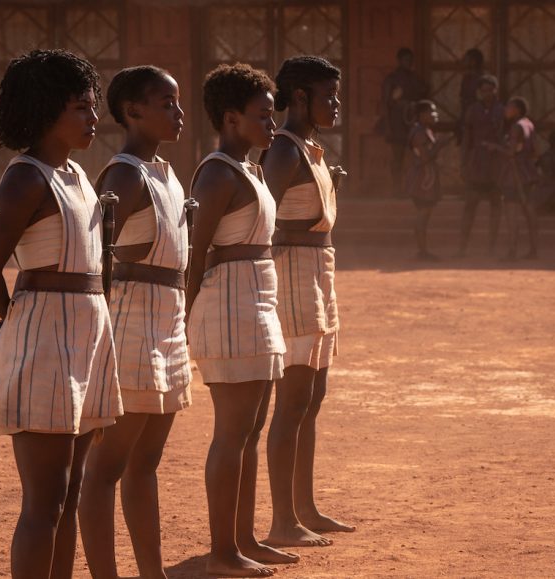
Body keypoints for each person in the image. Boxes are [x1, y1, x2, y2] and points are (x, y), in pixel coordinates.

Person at [0, 49, 121, 579]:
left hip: (86, 336)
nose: (93, 118)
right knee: (46, 500)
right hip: (44, 342)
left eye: (93, 106)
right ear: (44, 111)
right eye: (81, 108)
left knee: (70, 492)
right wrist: (18, 322)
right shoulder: (25, 179)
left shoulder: (78, 177)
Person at [78, 65, 192, 579]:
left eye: (177, 102)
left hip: (168, 321)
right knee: (106, 468)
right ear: (132, 112)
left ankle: (153, 572)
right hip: (129, 322)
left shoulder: (166, 173)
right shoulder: (123, 173)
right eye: (165, 103)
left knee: (146, 463)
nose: (178, 112)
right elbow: (92, 258)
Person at [187, 63, 300, 577]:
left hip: (257, 303)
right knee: (231, 434)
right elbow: (194, 255)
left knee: (251, 430)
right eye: (263, 116)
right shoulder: (215, 173)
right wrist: (181, 320)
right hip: (230, 308)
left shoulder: (250, 170)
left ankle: (245, 538)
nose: (272, 125)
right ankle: (221, 552)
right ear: (232, 119)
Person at [261, 55, 354, 549]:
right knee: (292, 402)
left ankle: (305, 507)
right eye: (328, 95)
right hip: (293, 275)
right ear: (299, 98)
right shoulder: (283, 151)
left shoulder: (309, 150)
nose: (336, 104)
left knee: (312, 400)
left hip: (318, 274)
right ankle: (282, 520)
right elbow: (261, 214)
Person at [457, 74, 505, 257]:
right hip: (476, 164)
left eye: (490, 90)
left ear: (496, 90)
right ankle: (462, 248)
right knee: (470, 205)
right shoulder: (472, 111)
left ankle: (491, 248)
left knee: (495, 206)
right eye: (483, 90)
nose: (487, 94)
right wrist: (463, 163)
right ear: (478, 92)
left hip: (496, 166)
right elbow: (466, 139)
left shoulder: (502, 111)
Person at [491, 96, 538, 260]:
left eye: (509, 107)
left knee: (512, 213)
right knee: (529, 213)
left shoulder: (517, 127)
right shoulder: (529, 124)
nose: (506, 110)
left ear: (517, 110)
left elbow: (511, 152)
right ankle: (534, 250)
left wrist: (495, 147)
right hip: (528, 173)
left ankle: (512, 251)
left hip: (514, 175)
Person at [380, 47, 428, 196]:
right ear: (400, 60)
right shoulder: (392, 79)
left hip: (413, 122)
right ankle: (396, 189)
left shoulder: (415, 78)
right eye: (406, 60)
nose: (409, 63)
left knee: (417, 156)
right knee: (397, 157)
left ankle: (415, 188)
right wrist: (388, 126)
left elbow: (424, 94)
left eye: (411, 60)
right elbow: (386, 103)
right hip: (397, 123)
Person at [405, 99, 449, 259]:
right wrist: (440, 145)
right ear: (422, 115)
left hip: (427, 177)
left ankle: (423, 250)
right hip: (422, 180)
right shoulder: (419, 132)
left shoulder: (425, 130)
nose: (435, 115)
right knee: (423, 212)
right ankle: (422, 251)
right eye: (432, 112)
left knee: (425, 213)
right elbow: (425, 157)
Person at [456, 48, 486, 143]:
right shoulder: (467, 77)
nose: (465, 62)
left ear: (473, 61)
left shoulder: (479, 78)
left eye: (467, 59)